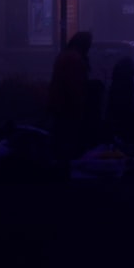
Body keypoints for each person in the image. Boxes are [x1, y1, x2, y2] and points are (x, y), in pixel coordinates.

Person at [49, 31, 94, 168]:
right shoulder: (74, 59)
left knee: (61, 137)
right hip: (67, 106)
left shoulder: (65, 56)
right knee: (68, 138)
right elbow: (74, 85)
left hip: (59, 104)